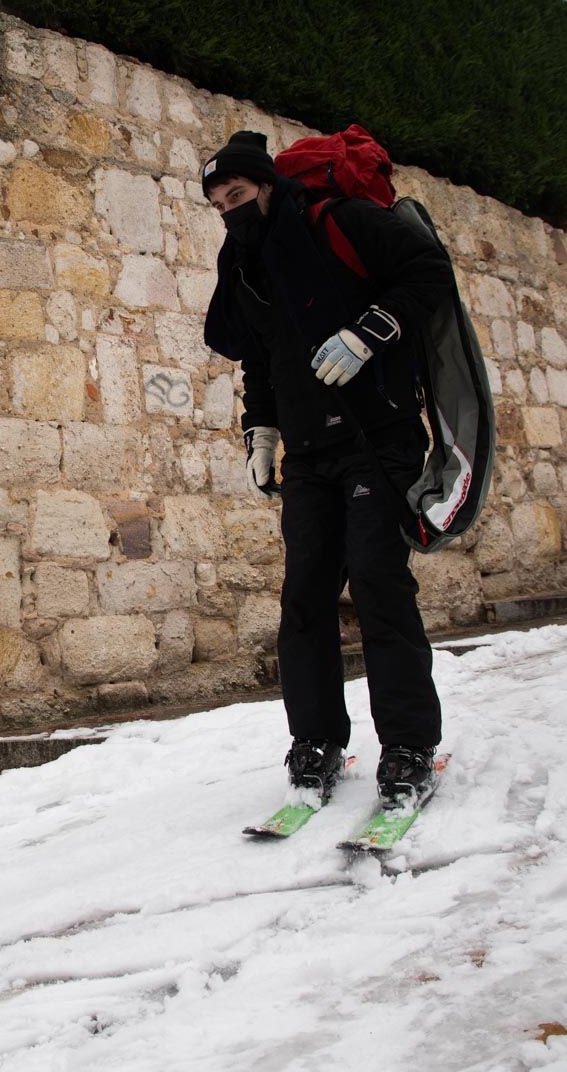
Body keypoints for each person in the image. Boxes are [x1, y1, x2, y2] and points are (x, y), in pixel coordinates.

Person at [200, 130, 452, 809]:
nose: (230, 209)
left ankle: (407, 745)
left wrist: (369, 332)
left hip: (377, 436)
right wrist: (263, 433)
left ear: (268, 185)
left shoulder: (338, 222)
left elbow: (428, 272)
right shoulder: (247, 264)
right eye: (219, 202)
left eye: (240, 194)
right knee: (304, 599)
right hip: (309, 454)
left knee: (377, 584)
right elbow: (261, 355)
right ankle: (315, 740)